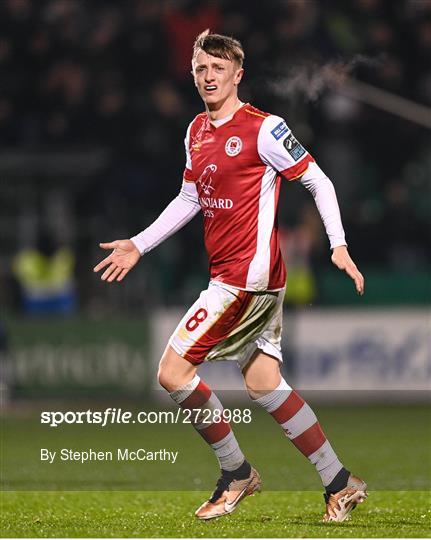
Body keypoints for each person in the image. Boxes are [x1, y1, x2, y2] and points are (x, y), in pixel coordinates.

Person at [94, 30, 367, 522]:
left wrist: (338, 245)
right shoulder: (195, 130)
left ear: (238, 75)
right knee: (264, 383)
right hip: (244, 277)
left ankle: (236, 472)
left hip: (246, 279)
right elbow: (190, 198)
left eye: (219, 68)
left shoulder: (265, 127)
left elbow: (317, 179)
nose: (209, 76)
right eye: (201, 68)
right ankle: (339, 481)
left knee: (172, 372)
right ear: (193, 74)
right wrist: (139, 244)